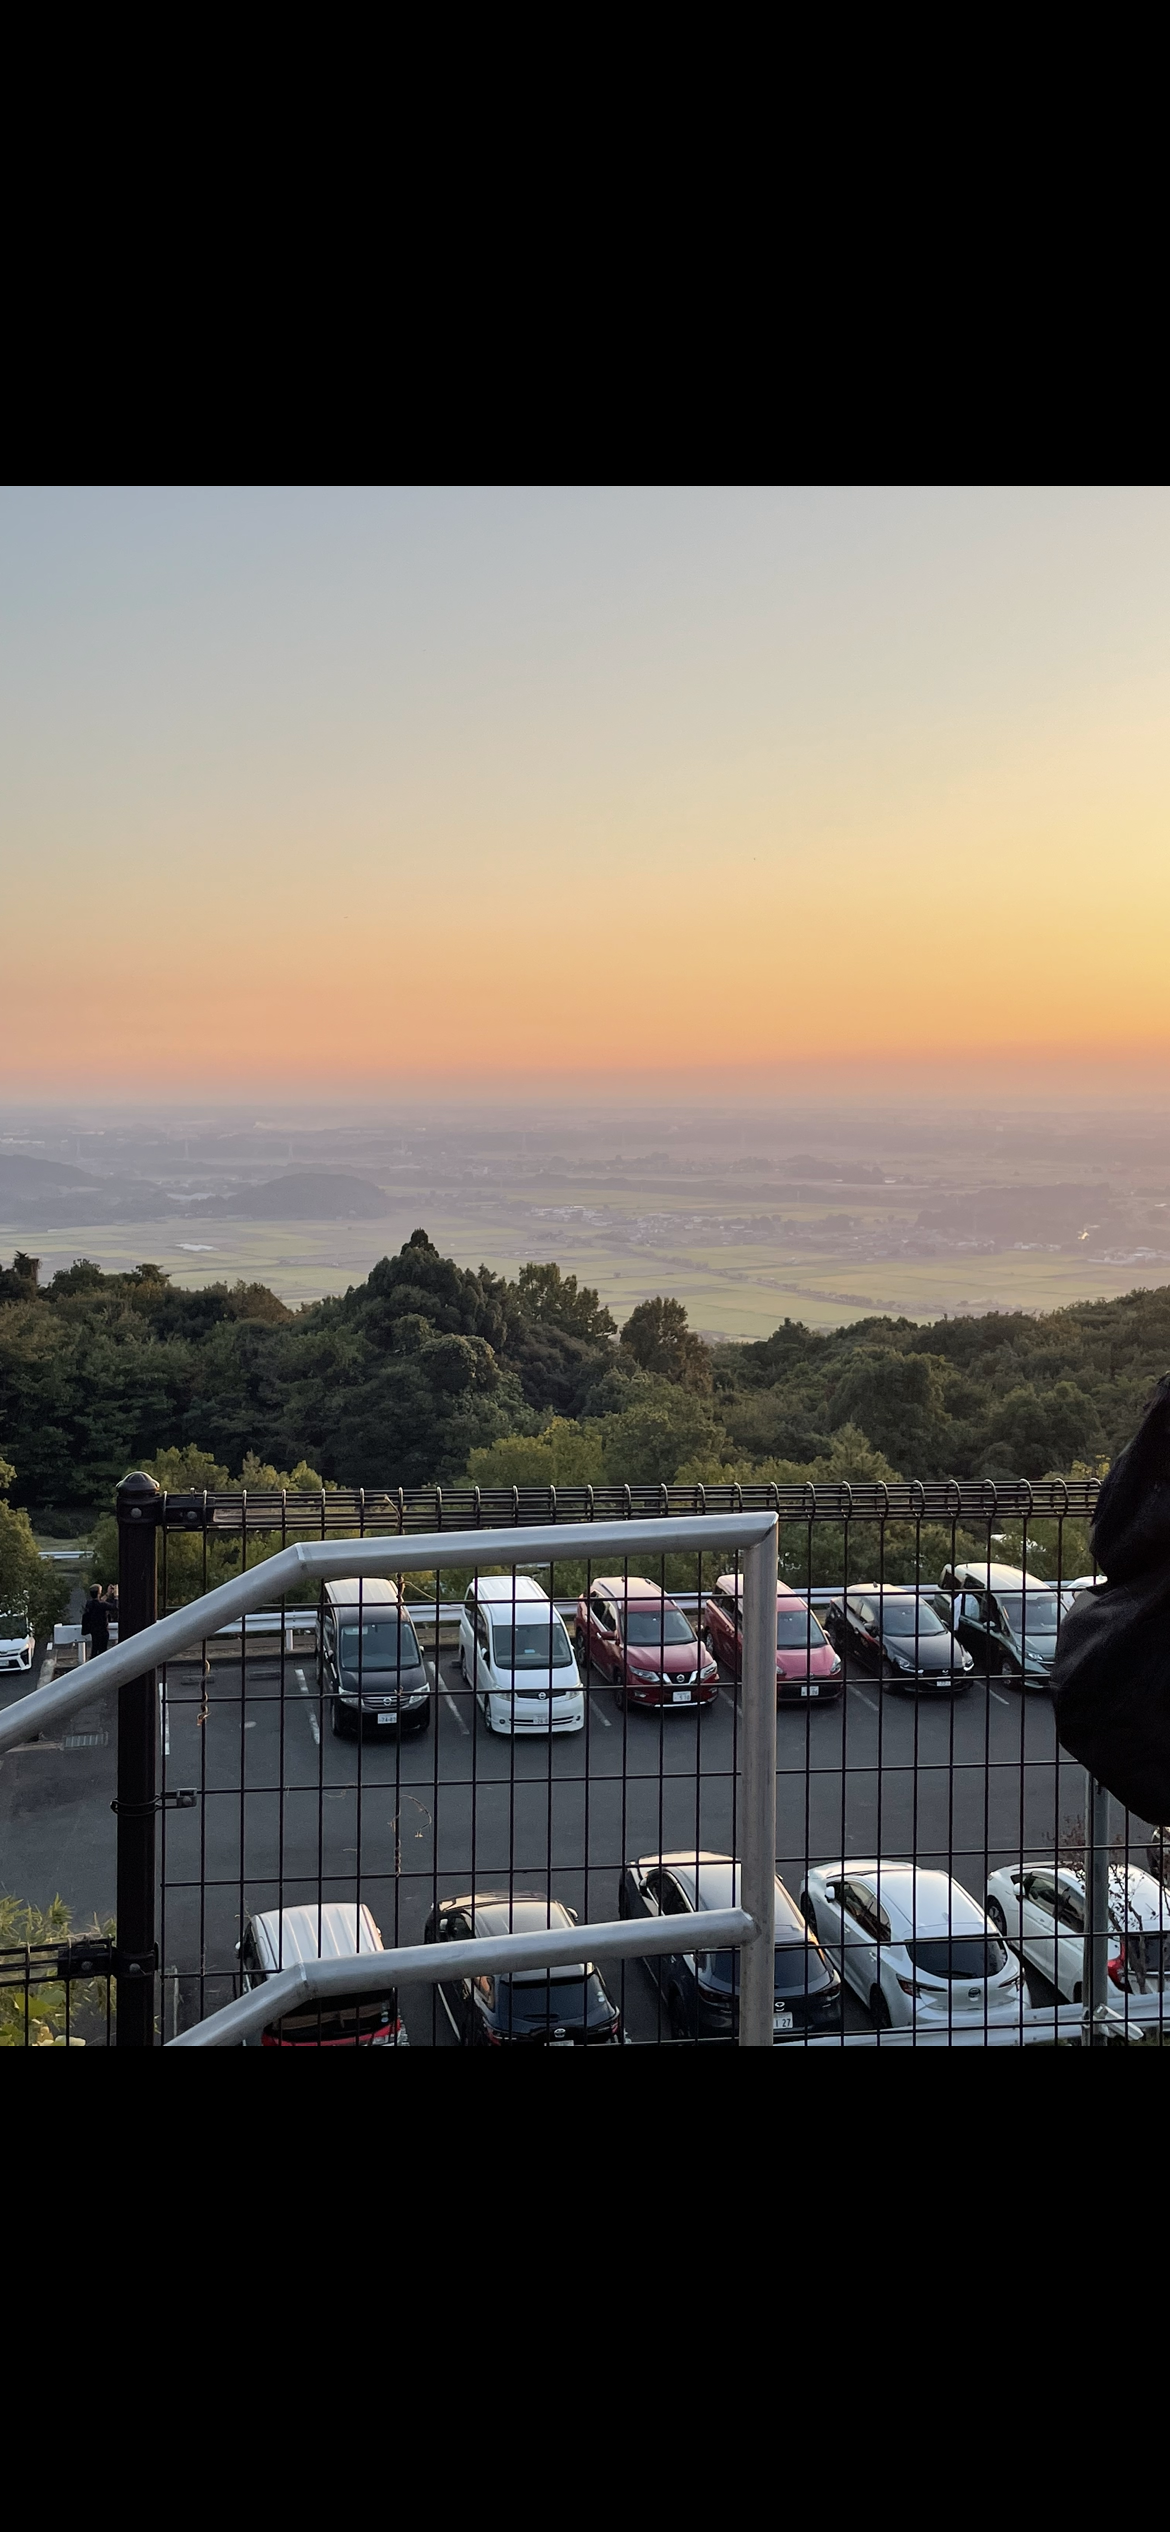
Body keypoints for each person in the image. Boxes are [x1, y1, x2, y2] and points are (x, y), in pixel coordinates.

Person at [80, 1586, 109, 1658]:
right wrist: (116, 1596)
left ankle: (92, 1663)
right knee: (103, 1651)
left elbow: (100, 1602)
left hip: (94, 1630)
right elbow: (115, 1606)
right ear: (99, 1593)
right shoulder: (101, 1605)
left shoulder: (89, 1603)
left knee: (95, 1649)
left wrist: (108, 1594)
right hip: (103, 1631)